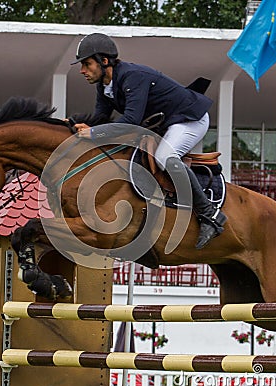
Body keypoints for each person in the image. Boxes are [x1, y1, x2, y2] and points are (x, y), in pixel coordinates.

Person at [70, 32, 227, 250]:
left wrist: (95, 134)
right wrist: (69, 123)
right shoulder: (104, 86)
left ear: (104, 61)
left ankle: (209, 214)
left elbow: (131, 121)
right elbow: (99, 118)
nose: (82, 70)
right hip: (168, 123)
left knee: (164, 157)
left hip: (190, 119)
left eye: (87, 64)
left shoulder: (133, 76)